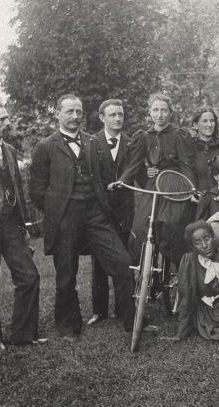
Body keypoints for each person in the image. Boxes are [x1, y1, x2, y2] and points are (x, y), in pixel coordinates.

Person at [29, 94, 135, 340]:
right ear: (58, 114)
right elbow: (36, 190)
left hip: (96, 214)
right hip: (66, 218)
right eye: (70, 112)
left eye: (78, 111)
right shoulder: (45, 146)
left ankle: (131, 319)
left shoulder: (92, 142)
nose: (75, 116)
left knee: (122, 262)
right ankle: (68, 325)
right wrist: (58, 211)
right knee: (67, 274)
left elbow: (104, 176)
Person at [0, 101, 43, 350]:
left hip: (12, 227)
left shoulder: (11, 150)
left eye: (6, 118)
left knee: (30, 277)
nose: (7, 122)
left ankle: (22, 335)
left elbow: (17, 190)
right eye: (1, 120)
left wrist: (24, 227)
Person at [113, 93, 194, 264]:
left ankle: (172, 271)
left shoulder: (179, 134)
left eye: (164, 110)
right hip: (152, 187)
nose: (160, 114)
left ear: (170, 112)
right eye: (155, 110)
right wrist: (123, 180)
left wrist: (190, 188)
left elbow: (185, 164)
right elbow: (134, 164)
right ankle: (145, 274)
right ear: (149, 112)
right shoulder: (143, 136)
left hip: (173, 186)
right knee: (142, 227)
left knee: (170, 228)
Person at [88, 99, 134, 326]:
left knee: (124, 257)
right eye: (113, 115)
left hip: (125, 211)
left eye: (121, 114)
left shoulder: (131, 142)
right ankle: (99, 310)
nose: (117, 119)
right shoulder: (91, 142)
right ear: (102, 117)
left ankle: (124, 309)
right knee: (99, 261)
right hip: (100, 211)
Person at [186, 107, 219, 193]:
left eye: (212, 121)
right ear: (195, 125)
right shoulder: (189, 149)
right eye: (204, 121)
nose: (209, 125)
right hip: (196, 200)